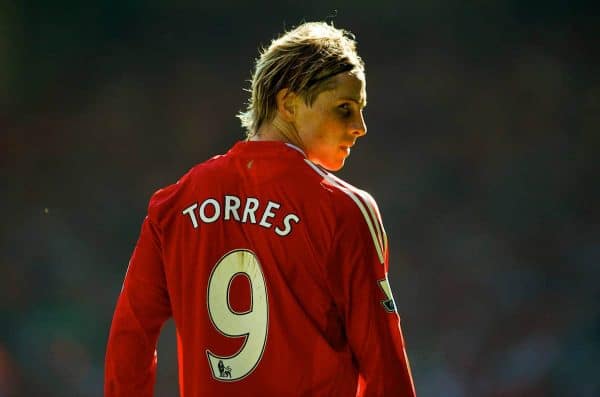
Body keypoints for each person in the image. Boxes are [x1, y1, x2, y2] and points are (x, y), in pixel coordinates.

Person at [105, 21, 416, 397]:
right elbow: (384, 364)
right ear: (288, 104)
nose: (360, 127)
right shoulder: (344, 210)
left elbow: (131, 336)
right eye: (345, 109)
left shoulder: (174, 204)